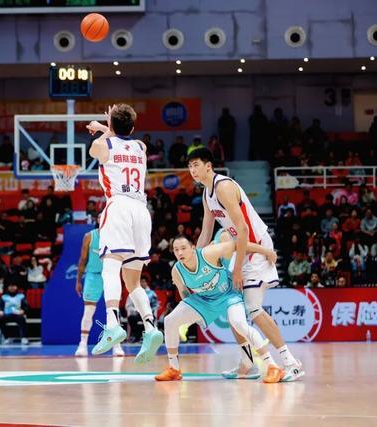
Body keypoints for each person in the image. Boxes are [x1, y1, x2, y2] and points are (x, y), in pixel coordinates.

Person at [189, 148, 304, 382]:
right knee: (233, 307)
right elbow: (206, 232)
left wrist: (237, 269)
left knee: (253, 308)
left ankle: (291, 363)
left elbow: (242, 229)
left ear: (208, 166)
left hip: (255, 246)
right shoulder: (207, 194)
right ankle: (248, 364)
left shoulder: (224, 187)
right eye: (190, 166)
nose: (192, 170)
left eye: (196, 165)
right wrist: (194, 262)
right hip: (242, 248)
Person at [86, 104, 164, 363]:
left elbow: (99, 146)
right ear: (132, 127)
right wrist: (107, 125)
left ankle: (112, 323)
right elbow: (123, 136)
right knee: (133, 281)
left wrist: (104, 129)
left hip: (118, 205)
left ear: (112, 124)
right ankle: (150, 327)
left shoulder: (102, 145)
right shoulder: (141, 147)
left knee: (110, 267)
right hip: (141, 211)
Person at [154, 235, 284, 382]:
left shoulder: (208, 253)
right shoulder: (176, 271)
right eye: (176, 250)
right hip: (204, 300)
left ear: (193, 248)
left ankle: (273, 366)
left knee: (239, 324)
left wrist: (267, 251)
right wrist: (190, 316)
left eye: (183, 248)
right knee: (170, 320)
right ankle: (174, 369)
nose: (180, 253)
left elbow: (238, 243)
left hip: (228, 295)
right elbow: (185, 294)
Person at [74, 227, 125, 356]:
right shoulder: (89, 236)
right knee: (88, 311)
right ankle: (82, 344)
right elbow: (83, 259)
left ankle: (117, 345)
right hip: (93, 276)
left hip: (110, 274)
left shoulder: (115, 234)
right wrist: (78, 280)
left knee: (113, 311)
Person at [126, 278, 159, 342]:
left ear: (146, 283)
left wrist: (149, 311)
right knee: (131, 318)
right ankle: (137, 336)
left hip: (149, 314)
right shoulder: (133, 292)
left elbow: (155, 306)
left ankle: (149, 336)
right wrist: (135, 310)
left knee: (150, 318)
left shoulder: (152, 293)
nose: (142, 283)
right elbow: (128, 306)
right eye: (141, 282)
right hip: (137, 314)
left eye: (144, 282)